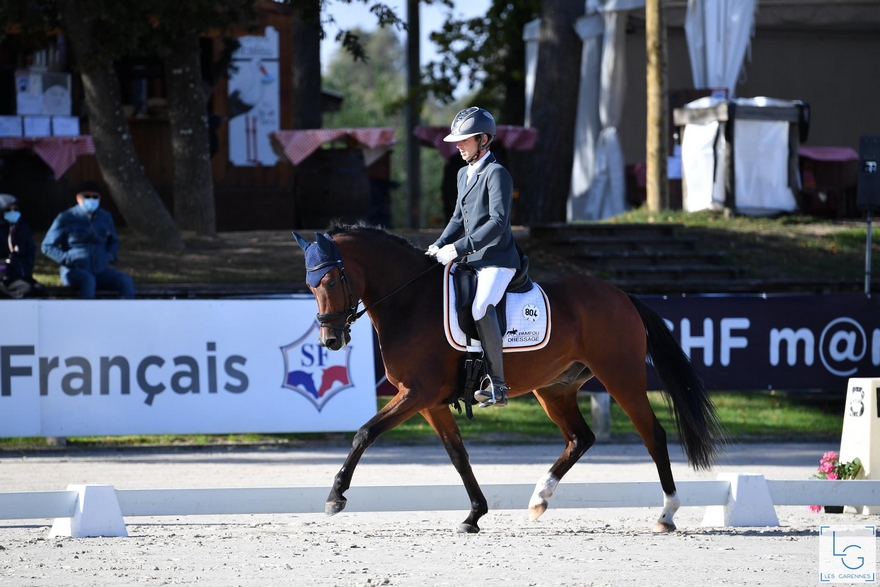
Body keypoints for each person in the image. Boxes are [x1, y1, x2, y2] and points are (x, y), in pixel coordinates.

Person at [426, 107, 521, 408]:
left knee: (481, 307)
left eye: (464, 140)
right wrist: (438, 244)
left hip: (498, 258)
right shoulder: (462, 173)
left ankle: (499, 386)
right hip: (471, 259)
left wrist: (458, 249)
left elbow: (497, 223)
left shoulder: (498, 174)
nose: (458, 145)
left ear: (483, 139)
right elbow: (457, 219)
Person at [41, 181, 135, 299]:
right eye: (87, 196)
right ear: (78, 198)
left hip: (100, 271)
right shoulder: (66, 217)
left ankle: (125, 315)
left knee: (125, 281)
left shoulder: (105, 217)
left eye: (95, 197)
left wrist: (110, 256)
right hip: (75, 271)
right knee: (88, 280)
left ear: (100, 199)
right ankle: (87, 316)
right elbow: (47, 246)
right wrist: (66, 259)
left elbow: (114, 241)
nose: (91, 199)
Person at [0, 193, 41, 299]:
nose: (13, 212)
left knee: (39, 290)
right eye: (8, 210)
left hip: (21, 275)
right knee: (25, 289)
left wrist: (25, 268)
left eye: (16, 209)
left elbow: (30, 252)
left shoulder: (22, 229)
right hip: (4, 278)